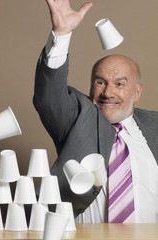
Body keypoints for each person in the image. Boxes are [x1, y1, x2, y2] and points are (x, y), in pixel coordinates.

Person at [33, 0, 158, 223]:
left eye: (119, 84)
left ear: (137, 92)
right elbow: (49, 100)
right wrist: (61, 35)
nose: (108, 93)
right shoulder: (77, 119)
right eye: (100, 82)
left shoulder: (154, 125)